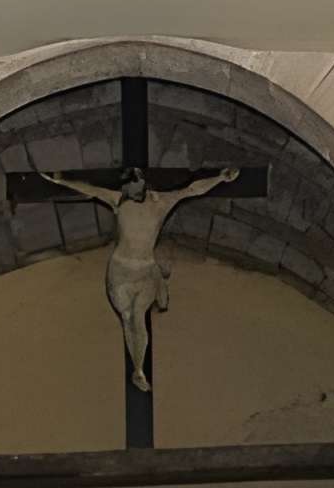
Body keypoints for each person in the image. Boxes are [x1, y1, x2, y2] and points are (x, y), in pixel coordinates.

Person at [33, 165, 242, 390]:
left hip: (145, 269)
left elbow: (192, 190)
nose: (128, 191)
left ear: (141, 182)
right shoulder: (119, 200)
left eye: (131, 187)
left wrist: (220, 178)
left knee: (138, 316)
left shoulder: (160, 202)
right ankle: (139, 369)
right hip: (120, 270)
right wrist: (61, 181)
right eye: (126, 187)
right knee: (127, 316)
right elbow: (91, 190)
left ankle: (138, 370)